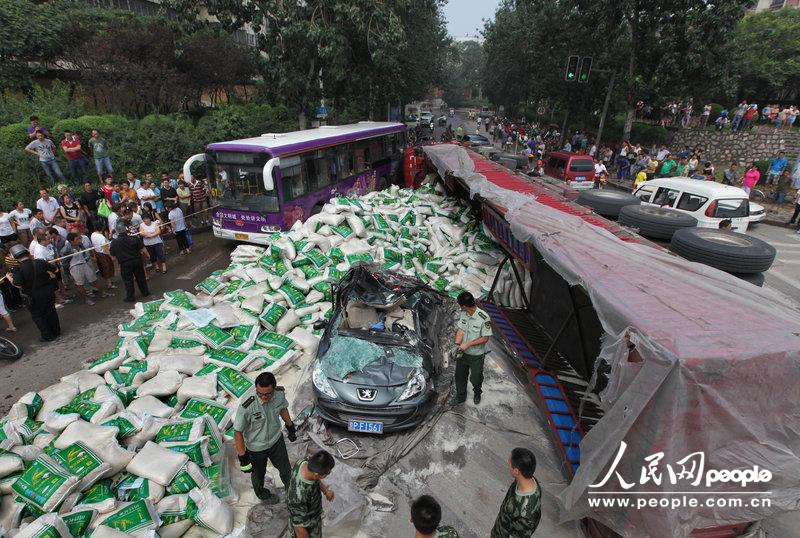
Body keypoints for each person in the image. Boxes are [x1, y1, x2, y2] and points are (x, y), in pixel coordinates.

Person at [234, 372, 297, 504]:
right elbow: (238, 432)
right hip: (256, 448)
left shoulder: (279, 395)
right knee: (258, 475)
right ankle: (262, 494)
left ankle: (292, 493)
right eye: (260, 393)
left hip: (276, 441)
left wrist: (290, 426)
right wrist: (243, 457)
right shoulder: (247, 404)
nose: (263, 397)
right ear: (256, 389)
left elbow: (283, 410)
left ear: (274, 389)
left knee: (286, 470)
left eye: (267, 394)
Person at [8, 244, 60, 342]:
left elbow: (18, 284)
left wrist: (9, 278)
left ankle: (47, 336)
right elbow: (56, 270)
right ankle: (56, 331)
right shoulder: (40, 262)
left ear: (15, 257)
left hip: (33, 296)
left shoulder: (17, 269)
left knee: (38, 316)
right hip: (48, 291)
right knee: (51, 311)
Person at [490, 448, 542, 538]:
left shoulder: (525, 512)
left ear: (516, 471)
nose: (508, 465)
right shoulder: (530, 480)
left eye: (509, 463)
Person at [452, 291, 492, 405]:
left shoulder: (484, 318)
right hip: (462, 353)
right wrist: (457, 344)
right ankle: (460, 396)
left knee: (476, 378)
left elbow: (485, 338)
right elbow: (461, 330)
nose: (460, 308)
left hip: (476, 355)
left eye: (460, 305)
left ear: (464, 306)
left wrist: (468, 344)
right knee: (460, 376)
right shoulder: (464, 314)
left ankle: (477, 393)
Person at [287, 449, 336, 538]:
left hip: (311, 513)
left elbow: (315, 480)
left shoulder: (303, 462)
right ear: (316, 475)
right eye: (327, 473)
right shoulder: (298, 496)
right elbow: (299, 528)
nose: (328, 474)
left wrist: (326, 491)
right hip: (307, 524)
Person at [60, 232, 111, 306]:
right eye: (77, 239)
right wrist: (68, 272)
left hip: (83, 263)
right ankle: (86, 299)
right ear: (71, 241)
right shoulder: (65, 250)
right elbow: (64, 263)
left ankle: (103, 293)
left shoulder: (80, 245)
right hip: (74, 267)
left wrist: (87, 259)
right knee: (80, 284)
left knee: (94, 279)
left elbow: (84, 253)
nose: (79, 240)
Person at [110, 220, 149, 302]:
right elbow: (142, 248)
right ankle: (145, 292)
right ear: (126, 229)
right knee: (141, 277)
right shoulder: (133, 238)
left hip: (125, 264)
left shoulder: (114, 243)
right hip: (136, 260)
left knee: (128, 281)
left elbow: (113, 255)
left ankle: (130, 297)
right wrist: (147, 255)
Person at [90, 219, 116, 288]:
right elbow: (105, 248)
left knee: (103, 268)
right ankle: (109, 284)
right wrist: (111, 256)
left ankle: (108, 282)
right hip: (103, 254)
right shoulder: (101, 237)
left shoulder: (93, 234)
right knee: (107, 268)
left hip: (98, 253)